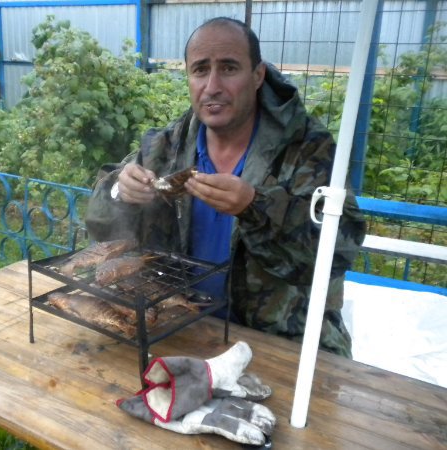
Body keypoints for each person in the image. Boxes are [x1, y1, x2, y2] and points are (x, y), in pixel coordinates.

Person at [85, 17, 366, 357]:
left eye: (229, 68)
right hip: (180, 328)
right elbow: (101, 223)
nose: (213, 86)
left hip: (282, 344)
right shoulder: (167, 146)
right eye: (200, 70)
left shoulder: (307, 148)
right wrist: (120, 191)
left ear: (257, 75)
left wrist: (255, 206)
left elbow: (340, 248)